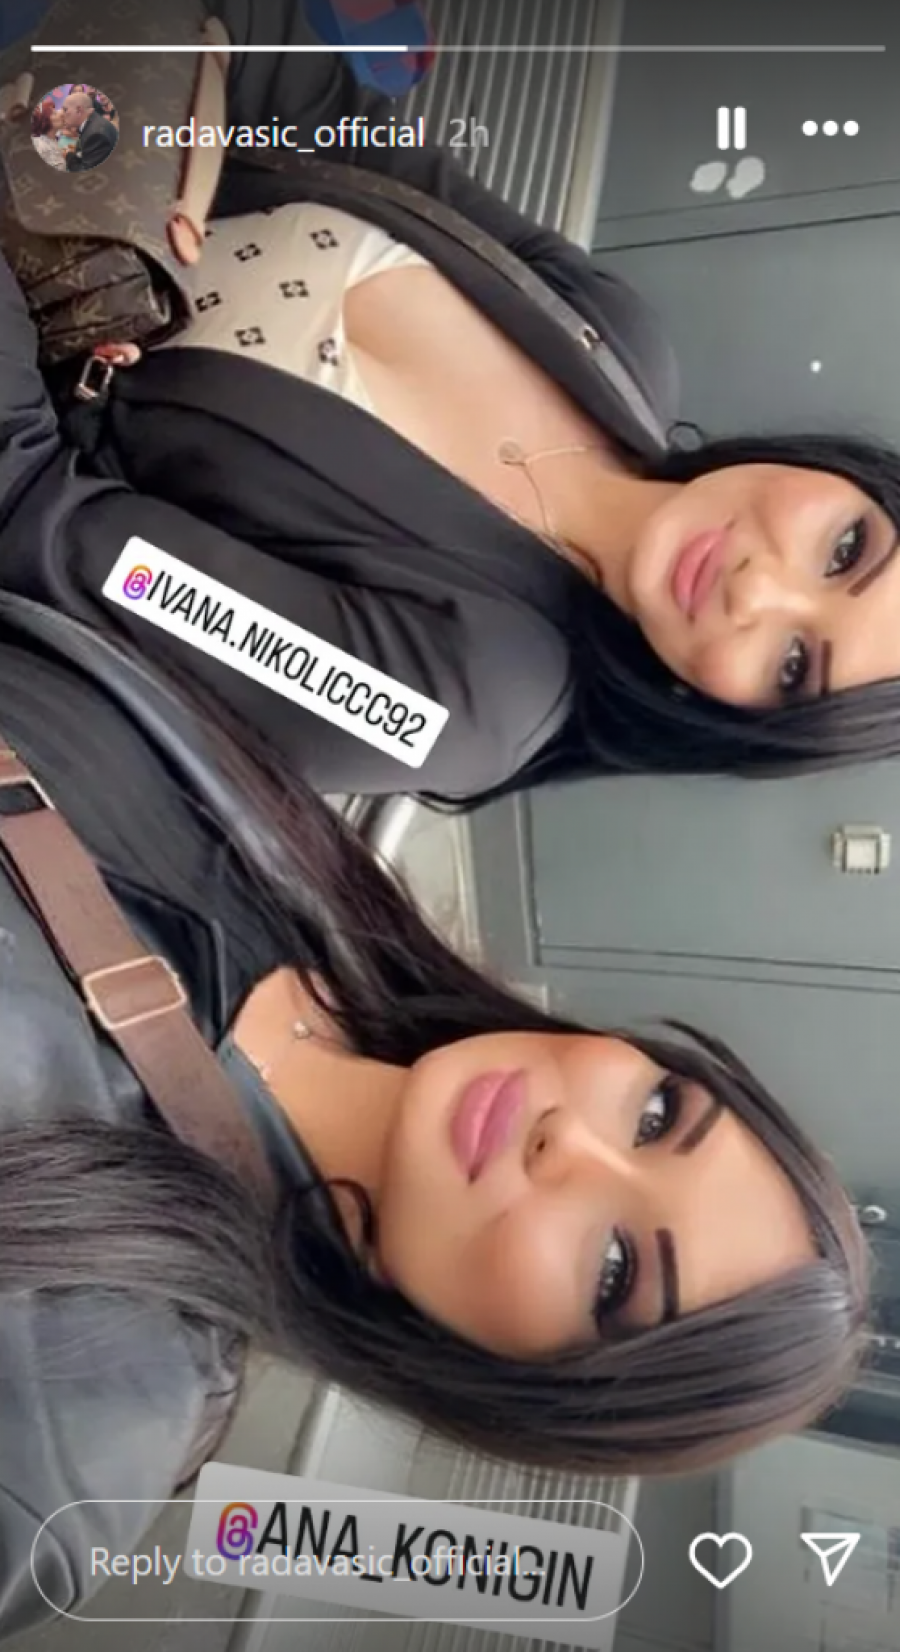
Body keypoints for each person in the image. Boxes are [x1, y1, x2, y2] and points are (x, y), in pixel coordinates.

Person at [0, 238, 870, 1637]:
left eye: (614, 1270)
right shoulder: (314, 892)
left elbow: (61, 537)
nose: (572, 1144)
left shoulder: (78, 1424)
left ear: (535, 1387)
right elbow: (358, 159)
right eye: (657, 1114)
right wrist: (198, 127)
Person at [5, 1, 900, 805]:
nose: (759, 590)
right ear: (846, 477)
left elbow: (38, 533)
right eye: (845, 550)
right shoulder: (614, 339)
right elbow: (334, 123)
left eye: (793, 664)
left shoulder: (453, 708)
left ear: (742, 724)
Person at [61, 85, 117, 171]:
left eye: (65, 110)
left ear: (79, 110)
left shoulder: (95, 135)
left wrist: (69, 156)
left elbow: (84, 172)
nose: (62, 114)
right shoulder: (93, 122)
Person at [29, 95, 65, 168]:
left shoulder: (53, 140)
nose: (60, 115)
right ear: (45, 121)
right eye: (54, 113)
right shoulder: (41, 146)